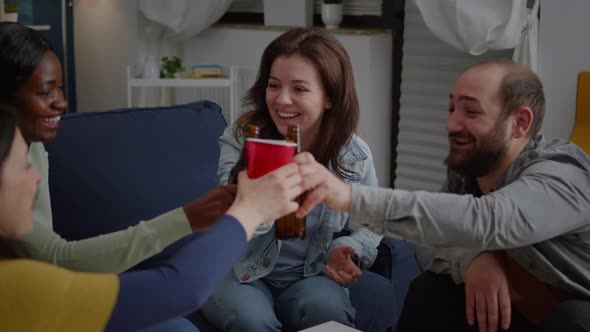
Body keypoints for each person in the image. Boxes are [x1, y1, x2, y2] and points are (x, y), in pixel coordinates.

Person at [294, 59, 590, 332]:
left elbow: (490, 219)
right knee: (431, 292)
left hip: (572, 312)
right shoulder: (470, 172)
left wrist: (349, 197)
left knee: (573, 320)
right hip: (514, 308)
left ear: (520, 123)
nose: (451, 125)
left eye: (471, 111)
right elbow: (428, 242)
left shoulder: (561, 174)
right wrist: (474, 258)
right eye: (452, 110)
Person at [0, 21, 233, 331]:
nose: (61, 102)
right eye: (46, 91)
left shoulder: (32, 144)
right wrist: (240, 215)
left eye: (60, 87)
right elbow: (181, 289)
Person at [0, 107, 305, 331]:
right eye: (23, 166)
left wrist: (190, 217)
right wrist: (249, 211)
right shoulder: (17, 287)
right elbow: (179, 289)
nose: (37, 178)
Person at [200, 27, 388, 332]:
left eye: (299, 89)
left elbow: (372, 219)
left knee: (329, 312)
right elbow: (231, 214)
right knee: (252, 321)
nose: (282, 99)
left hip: (310, 275)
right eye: (274, 85)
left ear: (330, 97)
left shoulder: (353, 155)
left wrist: (347, 248)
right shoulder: (242, 139)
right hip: (236, 268)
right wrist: (263, 195)